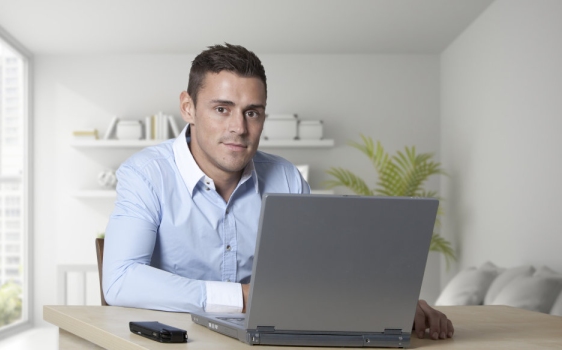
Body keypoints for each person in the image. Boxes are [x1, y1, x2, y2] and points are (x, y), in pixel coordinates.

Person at [102, 43, 453, 340]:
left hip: (265, 340)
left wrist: (388, 306)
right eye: (222, 109)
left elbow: (316, 274)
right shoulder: (146, 174)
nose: (239, 128)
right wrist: (244, 297)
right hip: (177, 341)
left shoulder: (285, 178)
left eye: (252, 113)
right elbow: (120, 280)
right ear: (188, 108)